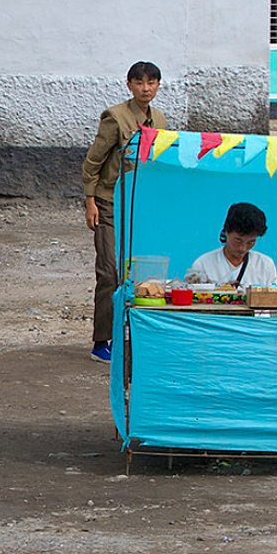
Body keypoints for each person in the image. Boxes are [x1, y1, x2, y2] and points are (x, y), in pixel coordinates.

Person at [81, 61, 167, 363]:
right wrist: (91, 203)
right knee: (109, 272)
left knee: (140, 272)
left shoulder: (159, 119)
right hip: (109, 201)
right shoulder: (115, 118)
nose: (146, 88)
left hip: (139, 204)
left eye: (152, 82)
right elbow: (92, 163)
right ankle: (101, 340)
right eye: (140, 82)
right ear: (129, 85)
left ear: (158, 85)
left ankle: (129, 333)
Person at [188, 203, 277, 287]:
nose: (243, 248)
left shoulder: (265, 265)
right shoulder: (203, 264)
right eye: (238, 240)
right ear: (226, 231)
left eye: (250, 242)